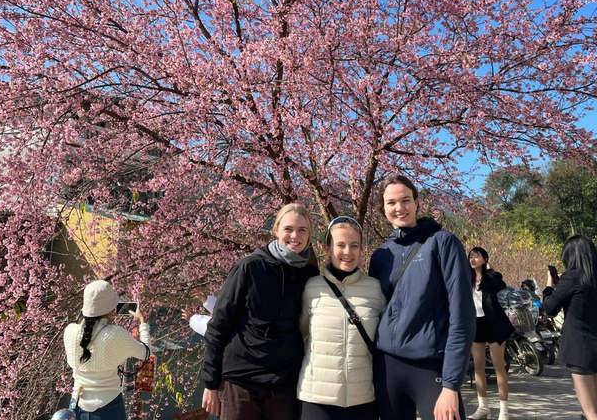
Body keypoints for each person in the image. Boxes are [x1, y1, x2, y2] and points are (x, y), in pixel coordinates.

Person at [368, 174, 476, 420]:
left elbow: (462, 316)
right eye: (391, 203)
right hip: (387, 368)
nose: (399, 208)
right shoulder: (381, 255)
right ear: (383, 208)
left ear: (417, 202)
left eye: (405, 200)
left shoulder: (442, 243)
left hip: (431, 367)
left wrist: (451, 385)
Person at [200, 203, 320, 420]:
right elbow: (219, 325)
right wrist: (211, 382)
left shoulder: (309, 274)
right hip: (241, 382)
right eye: (288, 229)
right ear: (276, 230)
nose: (295, 236)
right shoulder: (250, 267)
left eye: (302, 230)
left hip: (284, 385)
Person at [298, 216, 386, 420]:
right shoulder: (311, 287)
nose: (348, 252)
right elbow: (300, 335)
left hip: (362, 399)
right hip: (316, 398)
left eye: (354, 245)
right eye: (341, 245)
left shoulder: (375, 289)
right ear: (328, 248)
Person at [543, 235, 597, 420]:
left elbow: (550, 308)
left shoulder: (571, 277)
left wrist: (549, 287)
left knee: (591, 413)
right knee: (591, 409)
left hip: (579, 349)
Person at [63, 280, 150, 420]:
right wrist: (142, 322)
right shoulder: (115, 334)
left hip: (79, 407)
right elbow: (146, 353)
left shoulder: (69, 331)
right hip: (110, 408)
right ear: (111, 308)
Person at [467, 247, 514, 420]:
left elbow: (500, 286)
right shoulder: (467, 278)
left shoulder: (493, 277)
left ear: (485, 259)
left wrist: (489, 271)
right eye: (471, 256)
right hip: (476, 323)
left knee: (498, 366)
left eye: (477, 256)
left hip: (494, 324)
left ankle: (504, 411)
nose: (473, 259)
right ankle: (483, 407)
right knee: (478, 366)